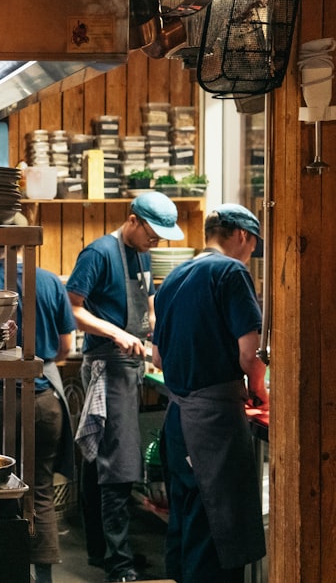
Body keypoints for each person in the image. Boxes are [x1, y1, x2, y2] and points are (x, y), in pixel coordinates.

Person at [65, 191, 183, 583]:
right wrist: (116, 333)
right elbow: (73, 308)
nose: (157, 241)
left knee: (102, 458)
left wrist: (158, 339)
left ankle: (103, 551)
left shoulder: (142, 254)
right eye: (153, 232)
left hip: (132, 363)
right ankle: (119, 565)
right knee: (118, 466)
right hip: (106, 364)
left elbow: (147, 302)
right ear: (132, 219)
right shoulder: (98, 253)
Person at [151, 204, 268, 583]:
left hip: (178, 422)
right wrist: (260, 391)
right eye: (252, 246)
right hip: (213, 426)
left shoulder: (173, 277)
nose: (251, 253)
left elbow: (157, 355)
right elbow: (250, 354)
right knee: (216, 530)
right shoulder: (232, 271)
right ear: (242, 236)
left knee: (187, 525)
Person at [0, 215, 78, 583]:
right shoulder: (49, 282)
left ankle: (3, 573)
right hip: (44, 402)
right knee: (39, 490)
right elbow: (65, 348)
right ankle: (42, 577)